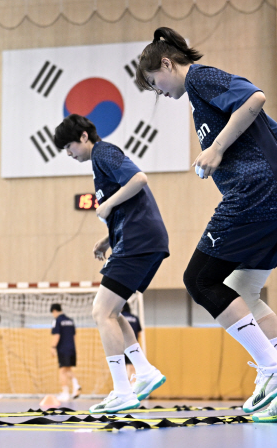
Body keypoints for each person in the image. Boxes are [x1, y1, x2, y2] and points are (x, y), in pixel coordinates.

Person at [136, 26, 277, 422]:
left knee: (200, 280)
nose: (159, 92)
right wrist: (245, 161)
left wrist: (218, 150)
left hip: (256, 196)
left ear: (166, 63)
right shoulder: (204, 100)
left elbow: (255, 96)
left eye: (155, 82)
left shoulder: (200, 77)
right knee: (242, 289)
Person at [52, 115, 168, 413]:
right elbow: (129, 205)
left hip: (139, 241)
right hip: (137, 240)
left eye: (68, 145)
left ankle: (122, 390)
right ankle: (143, 372)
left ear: (83, 137)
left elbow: (139, 179)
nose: (67, 152)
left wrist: (108, 203)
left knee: (101, 312)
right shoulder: (98, 161)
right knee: (112, 313)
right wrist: (107, 238)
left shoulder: (103, 152)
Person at [49, 304, 81, 402]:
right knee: (67, 369)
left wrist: (53, 347)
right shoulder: (70, 321)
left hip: (63, 349)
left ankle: (65, 393)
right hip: (72, 348)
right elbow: (74, 336)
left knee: (62, 371)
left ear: (54, 311)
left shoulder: (57, 320)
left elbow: (57, 335)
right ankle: (76, 386)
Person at [120, 303, 142, 381]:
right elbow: (139, 334)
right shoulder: (135, 318)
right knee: (131, 366)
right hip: (132, 346)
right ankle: (132, 384)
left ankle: (125, 386)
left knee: (121, 367)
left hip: (120, 346)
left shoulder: (119, 317)